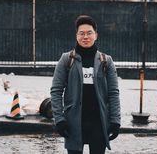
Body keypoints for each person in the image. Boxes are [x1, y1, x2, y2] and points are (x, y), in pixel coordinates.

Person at [50, 15, 121, 154]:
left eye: (89, 33)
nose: (85, 37)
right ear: (76, 35)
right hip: (73, 122)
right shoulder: (66, 59)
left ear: (96, 35)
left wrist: (115, 121)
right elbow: (56, 91)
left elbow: (113, 93)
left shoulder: (106, 61)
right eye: (81, 33)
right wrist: (59, 119)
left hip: (99, 123)